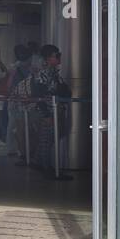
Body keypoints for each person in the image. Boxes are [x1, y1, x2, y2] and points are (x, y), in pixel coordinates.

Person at [31, 44, 72, 179]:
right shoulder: (44, 73)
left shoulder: (53, 72)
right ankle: (47, 169)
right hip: (47, 111)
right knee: (46, 140)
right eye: (57, 55)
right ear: (48, 58)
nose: (59, 58)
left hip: (54, 110)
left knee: (49, 139)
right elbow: (38, 95)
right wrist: (46, 114)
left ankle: (40, 164)